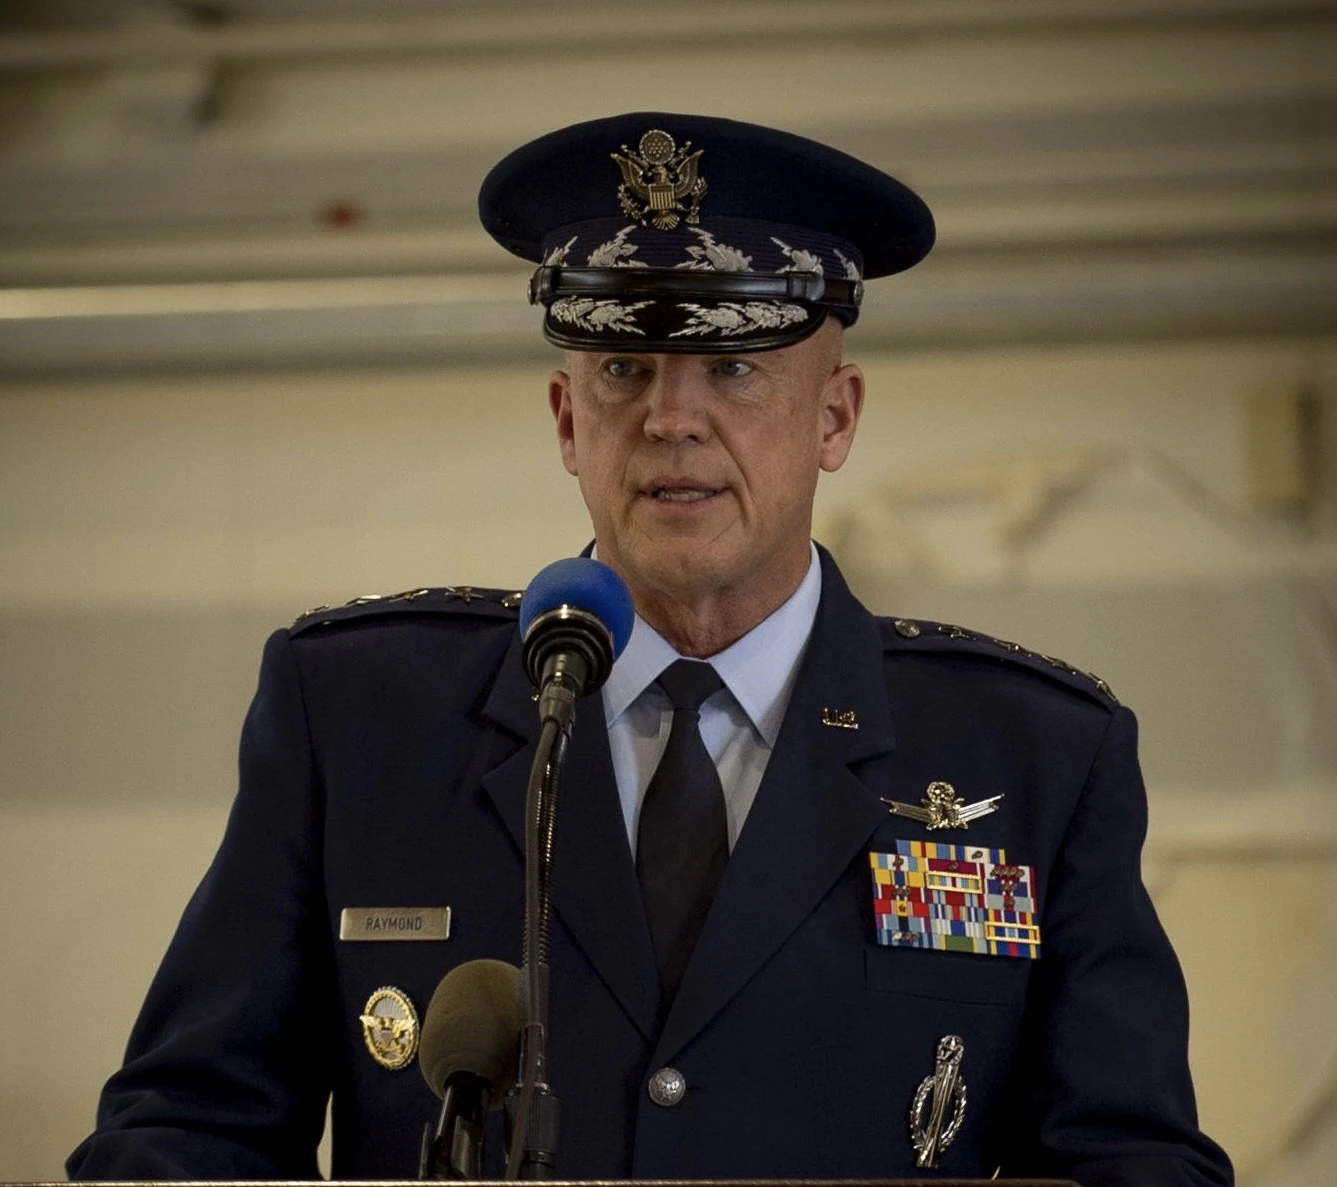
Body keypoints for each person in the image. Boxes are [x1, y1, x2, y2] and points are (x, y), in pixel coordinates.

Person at [68, 112, 1232, 1185]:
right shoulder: (357, 714)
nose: (671, 418)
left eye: (733, 367)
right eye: (623, 368)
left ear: (834, 417)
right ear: (567, 420)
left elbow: (1129, 1159)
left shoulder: (1029, 756)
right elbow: (188, 1126)